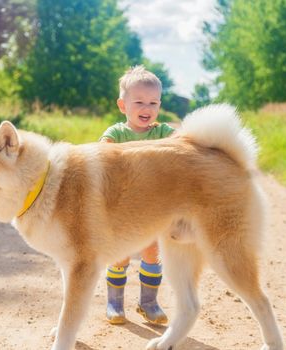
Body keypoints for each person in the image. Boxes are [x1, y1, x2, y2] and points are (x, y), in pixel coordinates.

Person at [100, 65, 175, 325]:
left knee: (152, 251)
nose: (147, 108)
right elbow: (103, 154)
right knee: (119, 254)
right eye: (139, 102)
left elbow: (183, 143)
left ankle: (148, 302)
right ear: (123, 106)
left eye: (153, 102)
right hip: (121, 206)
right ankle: (114, 302)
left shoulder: (163, 133)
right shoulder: (116, 133)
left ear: (159, 105)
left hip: (153, 208)